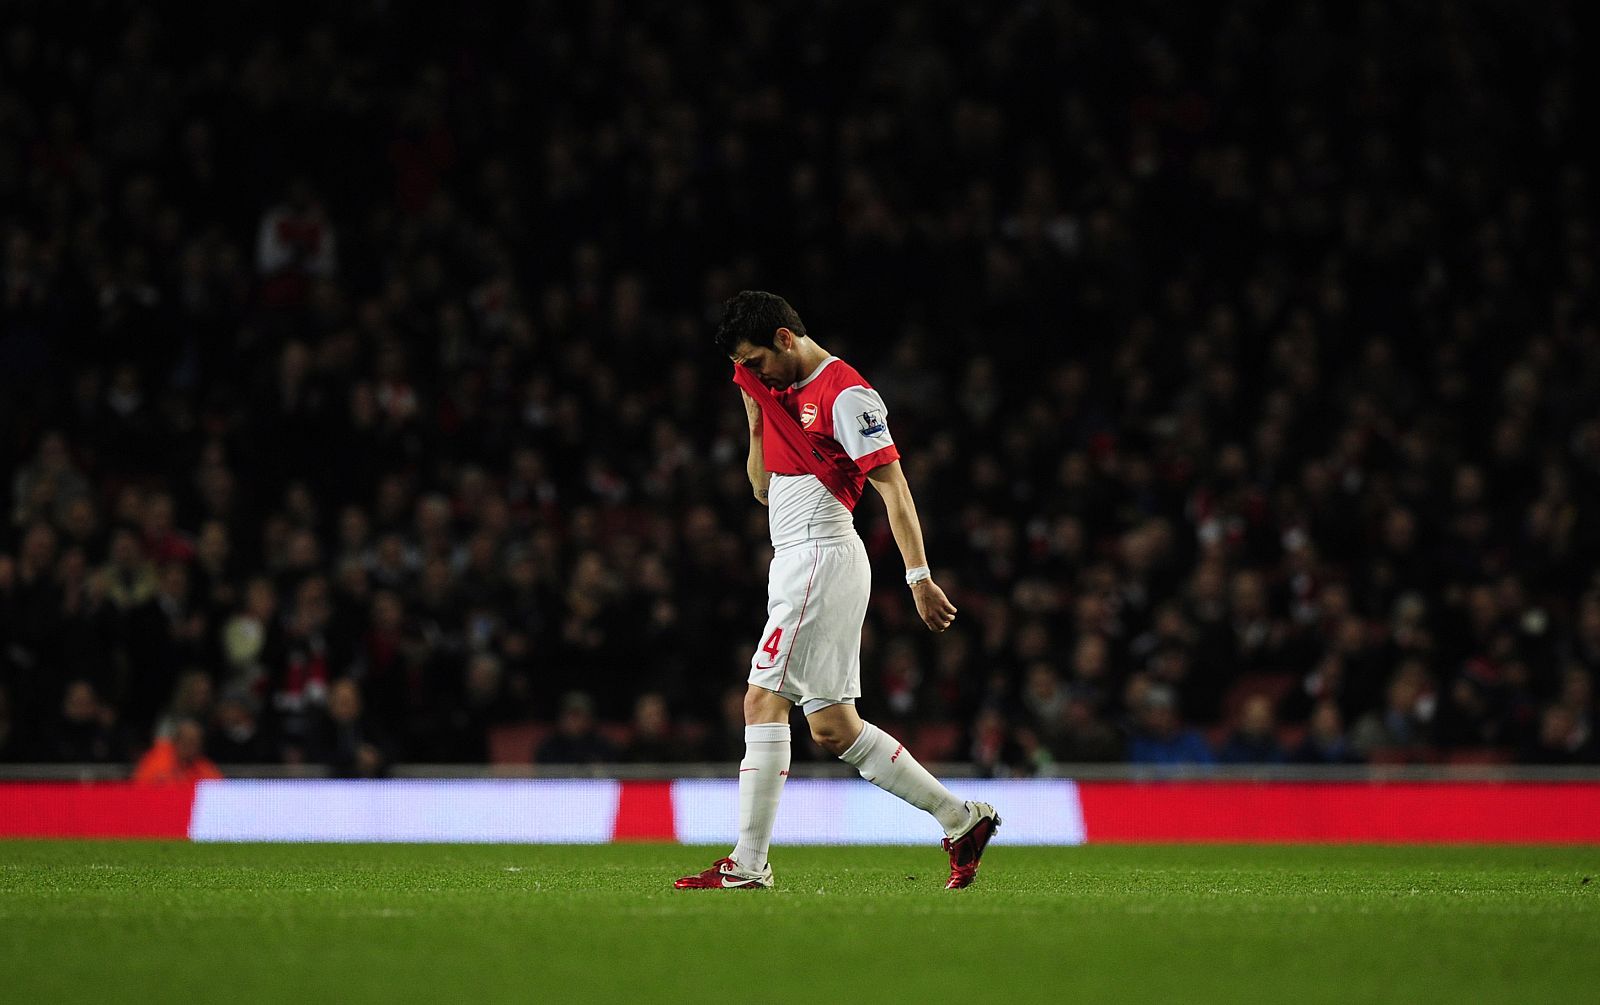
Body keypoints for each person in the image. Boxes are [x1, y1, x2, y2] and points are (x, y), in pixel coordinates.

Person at [676, 291, 999, 892]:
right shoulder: (775, 393)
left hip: (821, 555)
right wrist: (754, 420)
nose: (751, 375)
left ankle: (748, 863)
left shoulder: (844, 394)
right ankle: (961, 819)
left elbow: (894, 490)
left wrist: (919, 576)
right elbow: (761, 489)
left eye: (756, 361)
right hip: (795, 556)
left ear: (784, 338)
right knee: (831, 727)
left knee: (761, 698)